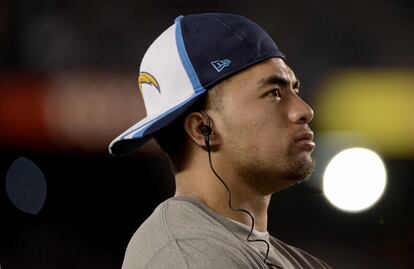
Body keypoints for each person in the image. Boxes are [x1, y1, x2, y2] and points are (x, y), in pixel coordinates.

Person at [109, 13, 331, 269]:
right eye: (274, 93)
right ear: (204, 128)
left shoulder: (298, 261)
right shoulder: (185, 255)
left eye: (295, 90)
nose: (304, 110)